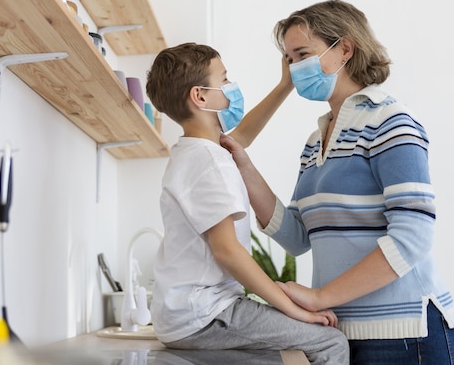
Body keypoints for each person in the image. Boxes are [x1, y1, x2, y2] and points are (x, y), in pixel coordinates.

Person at [220, 0, 454, 365]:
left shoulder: (390, 120)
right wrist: (245, 168)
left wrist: (321, 298)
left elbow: (413, 235)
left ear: (345, 49)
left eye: (302, 54)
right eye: (289, 60)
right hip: (344, 333)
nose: (296, 68)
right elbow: (297, 237)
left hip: (407, 335)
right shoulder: (316, 140)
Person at [145, 42, 349, 365]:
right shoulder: (209, 162)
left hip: (184, 316)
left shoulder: (194, 151)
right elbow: (228, 251)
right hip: (207, 314)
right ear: (200, 96)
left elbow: (242, 136)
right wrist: (291, 308)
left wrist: (284, 85)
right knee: (330, 343)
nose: (231, 87)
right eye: (224, 80)